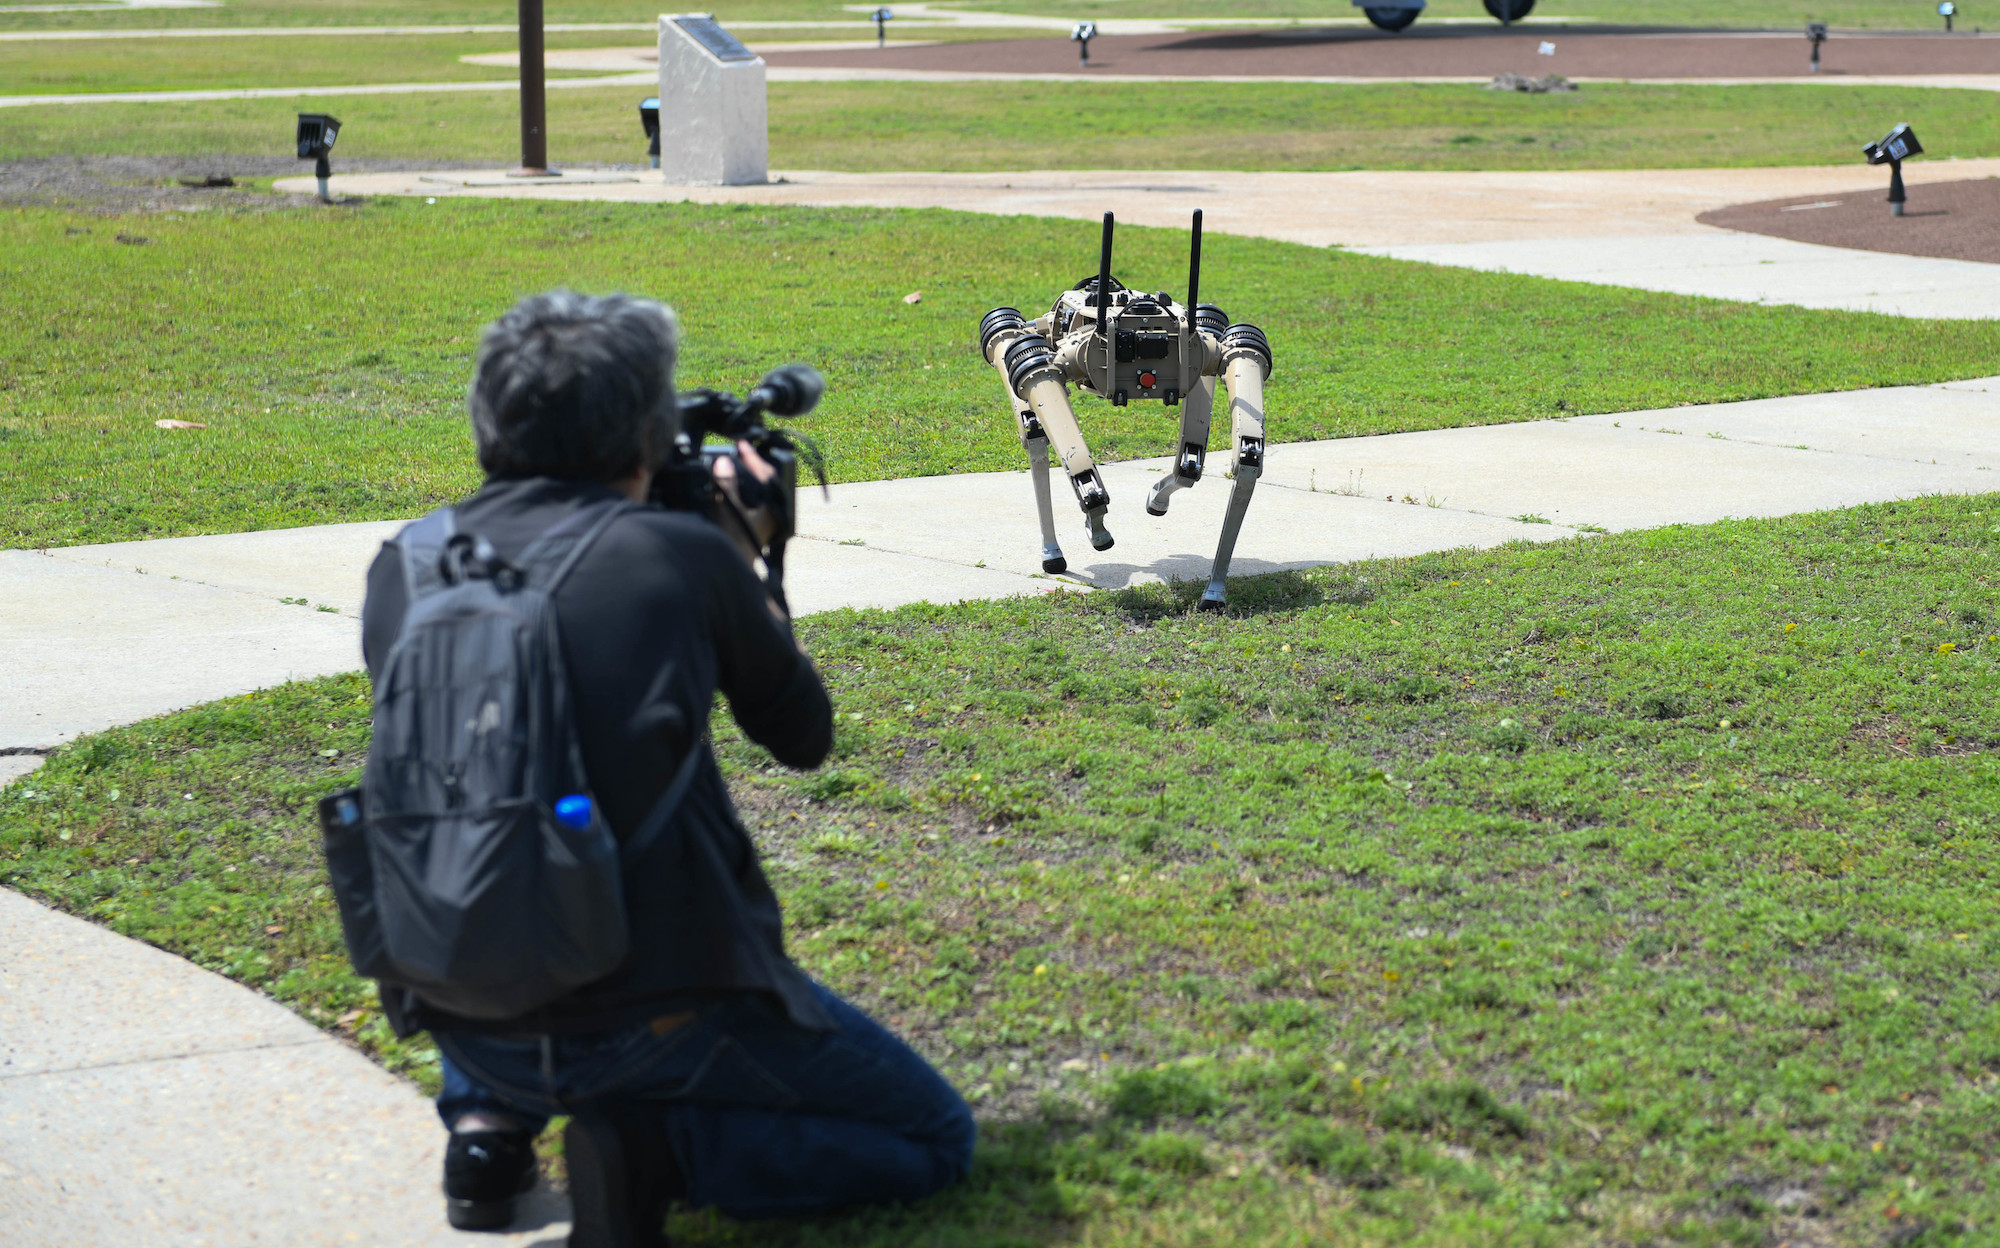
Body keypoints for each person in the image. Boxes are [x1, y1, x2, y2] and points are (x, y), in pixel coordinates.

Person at [358, 291, 974, 1245]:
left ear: (489, 419)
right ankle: (657, 1153)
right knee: (934, 1137)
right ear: (647, 428)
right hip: (653, 1019)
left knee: (488, 815)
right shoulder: (680, 556)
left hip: (452, 995)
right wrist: (746, 558)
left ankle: (484, 1132)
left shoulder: (408, 560)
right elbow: (802, 736)